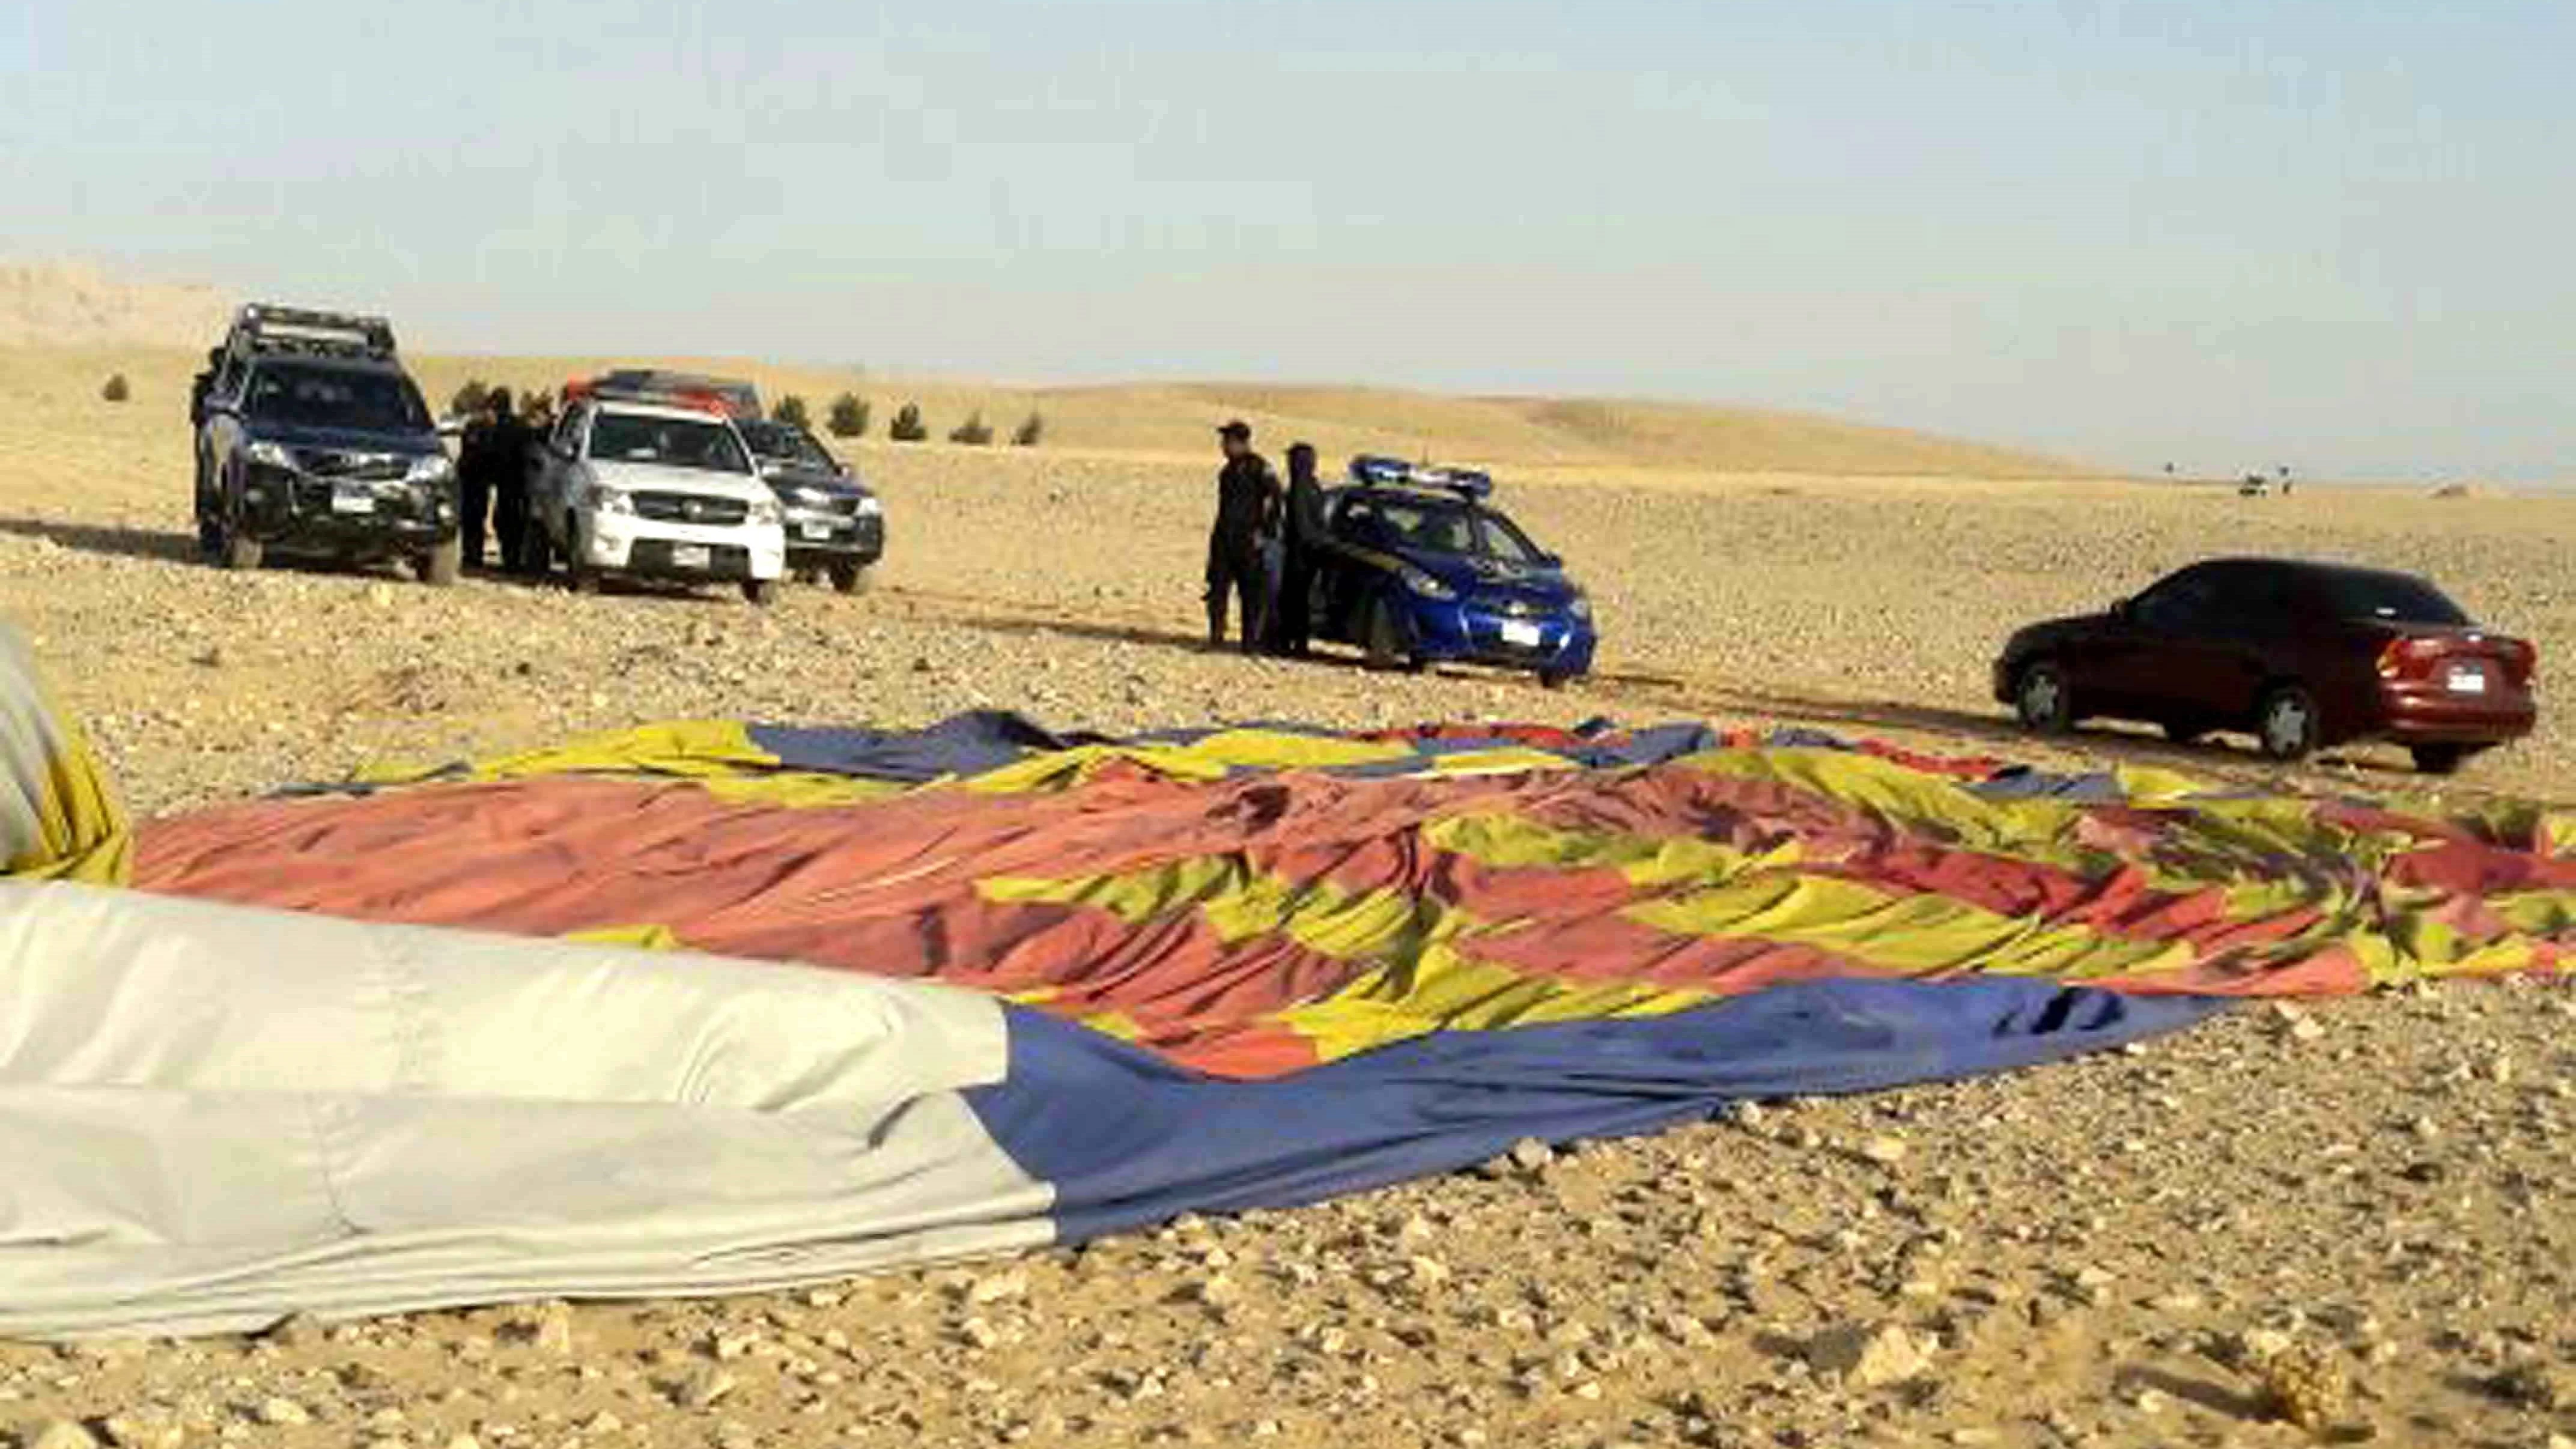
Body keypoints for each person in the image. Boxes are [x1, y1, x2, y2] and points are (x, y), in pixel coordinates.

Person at [1204, 420, 1279, 654]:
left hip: (1249, 542)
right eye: (1224, 442)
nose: (1224, 446)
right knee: (1217, 590)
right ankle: (1216, 637)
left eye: (1228, 442)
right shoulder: (1227, 472)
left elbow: (1275, 500)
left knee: (1251, 594)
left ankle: (1250, 642)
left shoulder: (1259, 468)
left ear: (1241, 442)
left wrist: (1264, 532)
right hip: (1225, 539)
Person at [1272, 442, 1329, 656]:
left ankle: (1291, 642)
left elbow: (1300, 523)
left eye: (1292, 460)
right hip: (1311, 552)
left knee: (1293, 599)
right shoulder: (1314, 487)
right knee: (1300, 599)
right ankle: (1298, 641)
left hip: (1300, 553)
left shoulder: (1300, 487)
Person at [488, 390, 534, 574]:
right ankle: (512, 559)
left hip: (511, 481)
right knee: (511, 522)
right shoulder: (519, 425)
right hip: (514, 481)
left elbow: (495, 452)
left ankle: (511, 560)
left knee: (508, 522)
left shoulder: (504, 427)